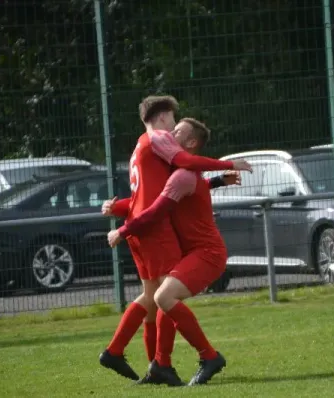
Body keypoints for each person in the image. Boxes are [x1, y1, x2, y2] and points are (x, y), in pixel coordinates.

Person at [99, 95, 252, 382]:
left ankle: (149, 361)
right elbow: (164, 196)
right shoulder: (161, 144)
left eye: (178, 131)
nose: (171, 132)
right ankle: (162, 363)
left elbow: (166, 193)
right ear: (161, 117)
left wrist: (121, 215)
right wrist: (226, 166)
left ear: (191, 142)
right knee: (159, 297)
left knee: (155, 297)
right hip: (151, 229)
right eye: (172, 122)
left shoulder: (146, 147)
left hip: (153, 231)